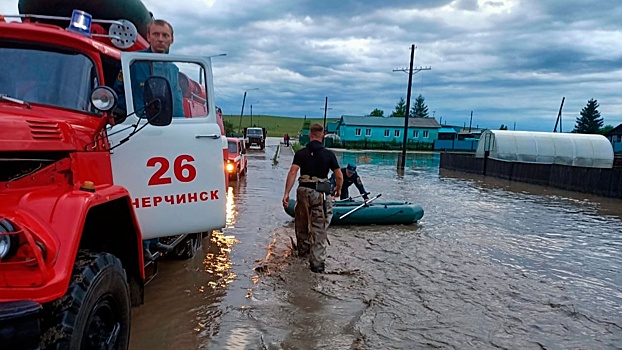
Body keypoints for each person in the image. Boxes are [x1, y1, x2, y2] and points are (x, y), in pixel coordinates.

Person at [283, 123, 343, 273]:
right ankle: (316, 266)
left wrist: (286, 193)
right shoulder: (329, 154)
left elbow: (292, 172)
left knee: (301, 224)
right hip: (319, 194)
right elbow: (339, 176)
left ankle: (302, 256)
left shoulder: (301, 153)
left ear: (310, 135)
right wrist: (338, 190)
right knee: (319, 228)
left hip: (302, 191)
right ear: (322, 136)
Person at [113, 19, 185, 119]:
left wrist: (179, 124)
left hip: (166, 126)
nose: (160, 39)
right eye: (156, 34)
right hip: (137, 125)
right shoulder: (133, 62)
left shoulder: (173, 70)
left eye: (165, 35)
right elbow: (118, 92)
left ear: (171, 39)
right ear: (148, 37)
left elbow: (176, 101)